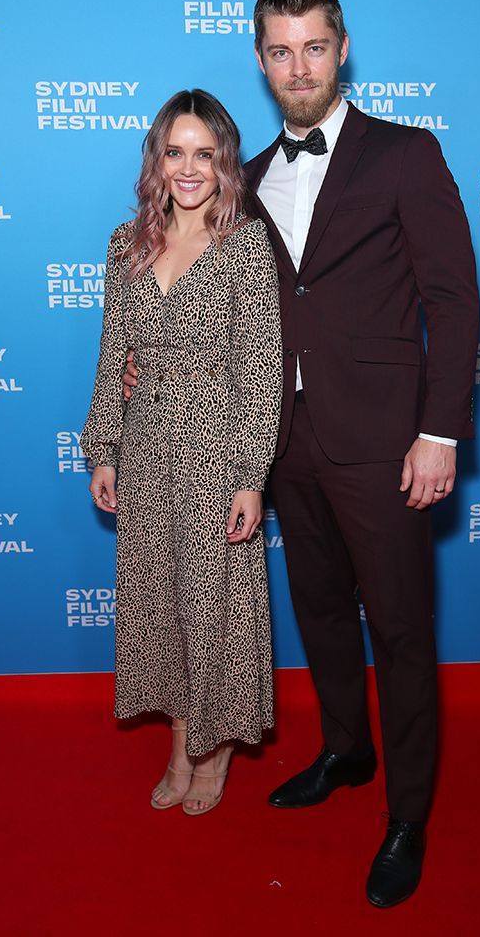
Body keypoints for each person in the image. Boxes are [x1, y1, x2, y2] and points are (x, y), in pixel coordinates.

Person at [125, 0, 479, 905]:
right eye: (279, 50)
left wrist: (439, 431)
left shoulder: (406, 153)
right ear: (259, 59)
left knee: (398, 630)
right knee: (320, 611)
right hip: (283, 442)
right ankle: (345, 752)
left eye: (313, 46)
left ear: (342, 46)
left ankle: (406, 815)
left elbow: (451, 298)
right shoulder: (242, 184)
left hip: (384, 441)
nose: (297, 65)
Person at [81, 88, 282, 816]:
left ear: (224, 162)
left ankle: (215, 750)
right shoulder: (124, 243)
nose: (189, 169)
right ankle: (179, 741)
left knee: (214, 605)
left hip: (215, 441)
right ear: (156, 162)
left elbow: (261, 368)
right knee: (158, 604)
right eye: (176, 152)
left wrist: (249, 475)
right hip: (144, 444)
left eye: (204, 154)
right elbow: (113, 356)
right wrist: (103, 446)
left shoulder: (245, 244)